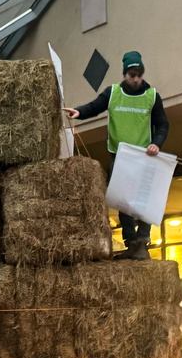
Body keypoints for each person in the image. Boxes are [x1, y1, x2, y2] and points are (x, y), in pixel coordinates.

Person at [62, 50, 169, 261]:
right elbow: (96, 106)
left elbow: (163, 124)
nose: (136, 79)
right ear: (124, 75)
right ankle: (131, 242)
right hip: (121, 157)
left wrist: (157, 144)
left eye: (139, 74)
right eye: (132, 75)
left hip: (145, 156)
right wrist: (80, 112)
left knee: (144, 202)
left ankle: (143, 241)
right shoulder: (113, 93)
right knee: (123, 202)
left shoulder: (152, 96)